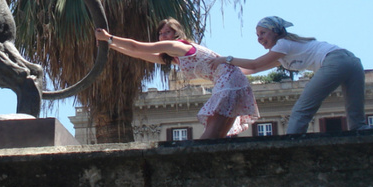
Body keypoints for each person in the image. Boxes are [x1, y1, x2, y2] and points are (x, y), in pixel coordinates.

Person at [94, 18, 259, 139]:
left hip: (229, 83)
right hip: (232, 82)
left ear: (176, 34)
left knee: (211, 136)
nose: (163, 36)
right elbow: (138, 54)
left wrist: (109, 38)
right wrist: (111, 45)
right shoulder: (175, 57)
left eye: (167, 32)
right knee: (217, 135)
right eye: (160, 33)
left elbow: (137, 46)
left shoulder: (176, 46)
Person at [212, 16, 367, 134]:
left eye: (263, 33)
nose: (259, 38)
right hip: (353, 62)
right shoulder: (283, 53)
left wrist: (227, 59)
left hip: (335, 62)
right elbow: (254, 70)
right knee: (356, 116)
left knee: (302, 109)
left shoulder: (283, 44)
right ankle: (363, 136)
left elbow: (254, 64)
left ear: (275, 32)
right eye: (257, 35)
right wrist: (224, 73)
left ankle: (291, 142)